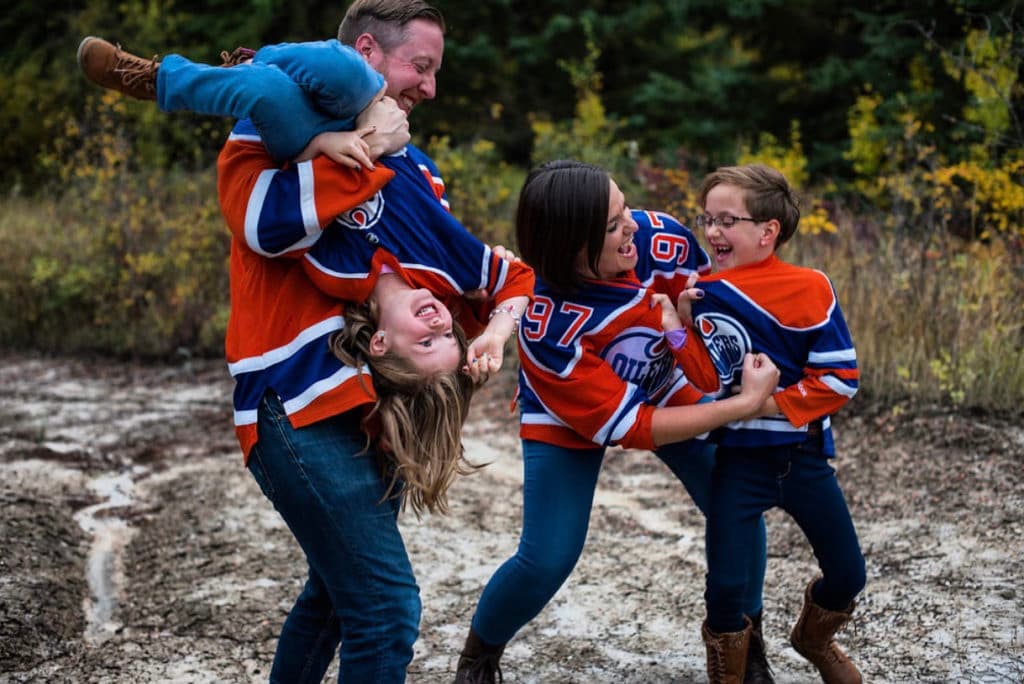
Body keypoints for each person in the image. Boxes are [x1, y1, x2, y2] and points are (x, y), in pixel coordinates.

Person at [86, 2, 526, 681]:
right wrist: (369, 146)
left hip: (373, 411)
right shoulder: (263, 133)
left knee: (332, 599)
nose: (431, 89)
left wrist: (488, 333)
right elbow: (264, 224)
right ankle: (174, 75)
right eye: (423, 67)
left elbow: (471, 267)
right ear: (372, 53)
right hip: (298, 406)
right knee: (386, 607)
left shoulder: (414, 168)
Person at [453, 160, 780, 684]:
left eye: (624, 207)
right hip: (568, 409)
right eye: (611, 224)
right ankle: (478, 659)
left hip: (666, 379)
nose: (632, 224)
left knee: (734, 502)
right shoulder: (547, 325)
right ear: (570, 244)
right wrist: (739, 408)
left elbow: (721, 308)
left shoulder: (659, 239)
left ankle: (746, 645)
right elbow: (634, 427)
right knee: (548, 557)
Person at [664, 163, 865, 683]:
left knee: (847, 573)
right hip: (739, 462)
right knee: (727, 591)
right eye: (707, 219)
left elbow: (840, 378)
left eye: (727, 220)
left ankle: (813, 639)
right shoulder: (707, 292)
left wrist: (764, 403)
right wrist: (683, 326)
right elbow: (709, 380)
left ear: (767, 231)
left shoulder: (810, 287)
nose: (712, 232)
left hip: (804, 458)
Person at [77, 35, 388, 166]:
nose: (429, 88)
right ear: (369, 47)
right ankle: (158, 78)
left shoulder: (401, 131)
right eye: (420, 66)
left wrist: (321, 145)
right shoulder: (361, 69)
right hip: (342, 97)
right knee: (340, 68)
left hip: (316, 137)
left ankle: (163, 80)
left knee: (264, 84)